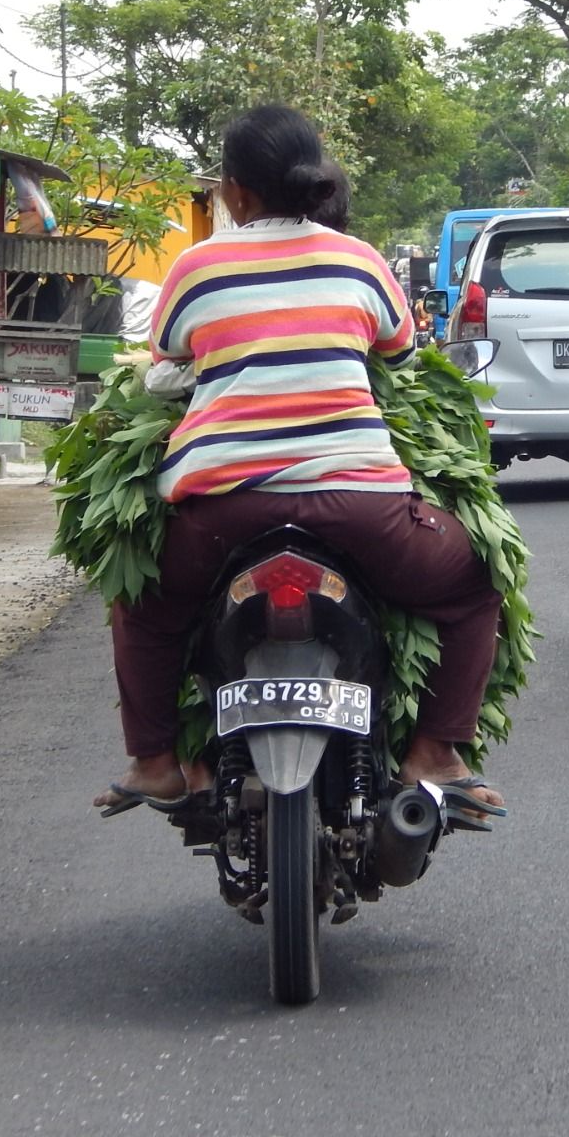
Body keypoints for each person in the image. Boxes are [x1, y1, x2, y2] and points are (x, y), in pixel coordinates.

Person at [94, 105, 507, 818]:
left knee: (147, 608)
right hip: (359, 505)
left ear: (235, 192)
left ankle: (156, 762)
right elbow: (400, 355)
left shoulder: (197, 267)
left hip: (222, 506)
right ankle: (435, 753)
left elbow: (167, 364)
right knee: (474, 584)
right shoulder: (360, 259)